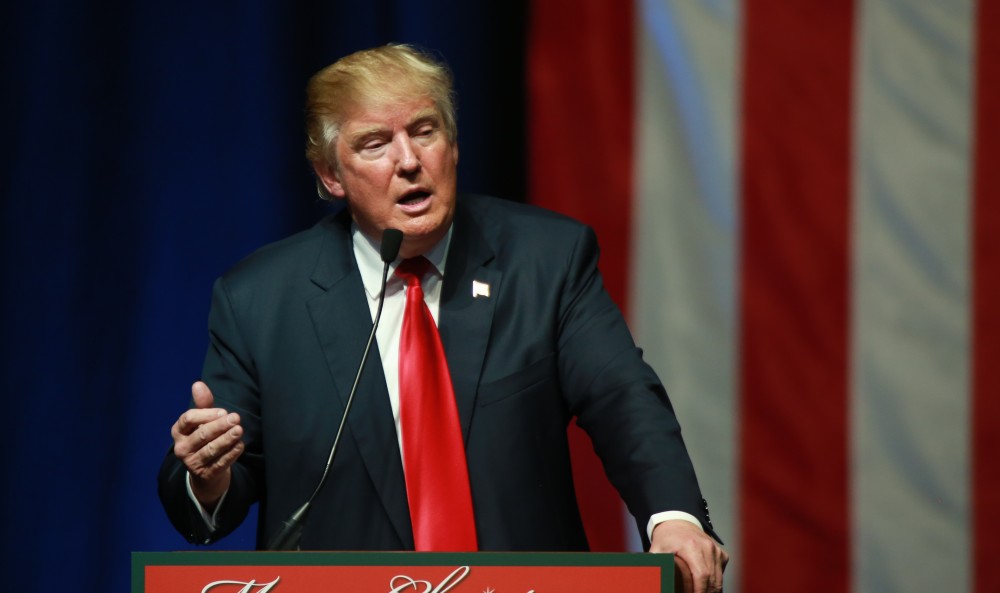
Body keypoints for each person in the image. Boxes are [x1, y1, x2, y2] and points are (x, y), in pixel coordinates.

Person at [158, 44, 727, 592]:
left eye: (424, 131)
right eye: (375, 144)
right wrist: (208, 478)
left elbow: (622, 399)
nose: (409, 161)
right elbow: (223, 484)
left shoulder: (546, 260)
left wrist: (671, 516)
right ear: (331, 176)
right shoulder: (260, 300)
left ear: (452, 145)